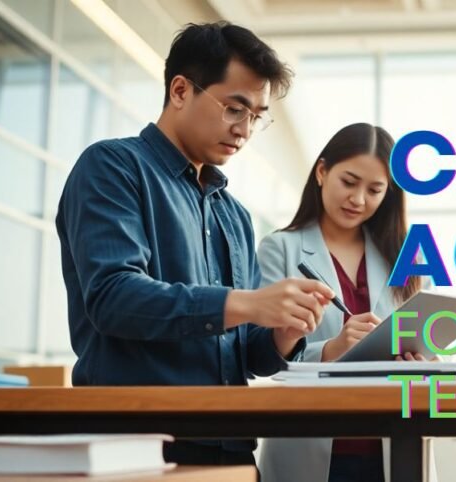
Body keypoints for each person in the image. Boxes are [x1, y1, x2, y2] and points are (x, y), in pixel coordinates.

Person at [55, 22, 335, 468]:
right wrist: (246, 303)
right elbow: (113, 298)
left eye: (257, 116)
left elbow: (245, 357)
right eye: (234, 109)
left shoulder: (235, 215)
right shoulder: (112, 167)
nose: (244, 129)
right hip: (138, 447)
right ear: (181, 90)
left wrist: (286, 331)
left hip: (231, 448)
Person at [256, 123, 433, 482]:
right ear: (322, 172)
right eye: (349, 182)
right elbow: (262, 356)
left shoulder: (409, 258)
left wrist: (422, 361)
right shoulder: (280, 249)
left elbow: (429, 343)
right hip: (312, 446)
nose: (358, 200)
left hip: (394, 444)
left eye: (374, 190)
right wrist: (331, 349)